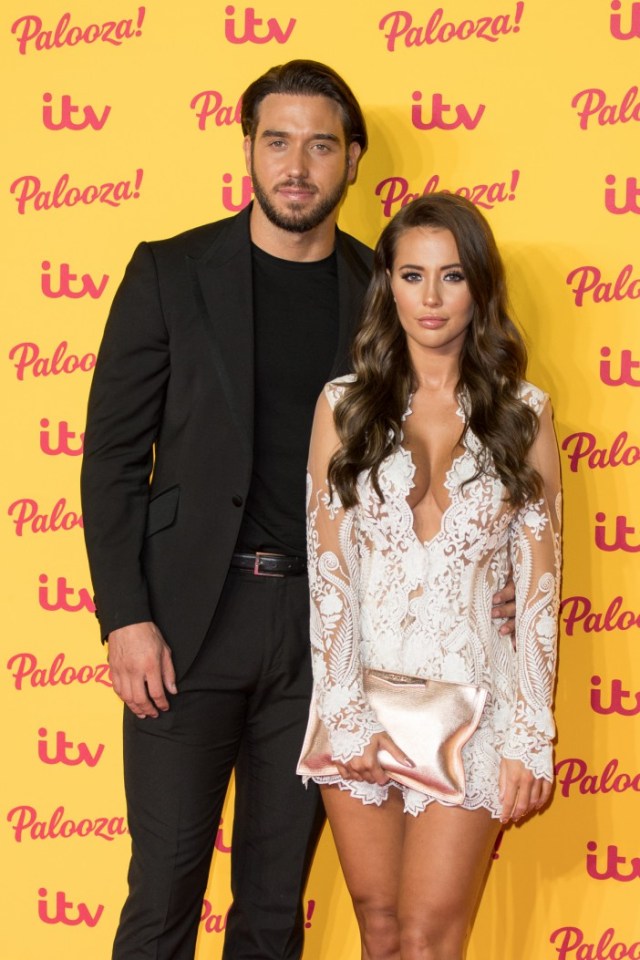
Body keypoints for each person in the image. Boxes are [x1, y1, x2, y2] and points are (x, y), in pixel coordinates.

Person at [80, 60, 517, 959]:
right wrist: (126, 616)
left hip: (329, 639)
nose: (296, 164)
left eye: (321, 144)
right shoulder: (169, 273)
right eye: (277, 141)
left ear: (352, 160)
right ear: (248, 150)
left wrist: (498, 580)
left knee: (274, 907)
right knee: (162, 892)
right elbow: (112, 458)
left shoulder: (383, 288)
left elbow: (459, 431)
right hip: (187, 627)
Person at [304, 193, 561, 960]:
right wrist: (342, 707)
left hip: (477, 708)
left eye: (452, 276)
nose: (432, 297)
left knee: (426, 939)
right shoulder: (342, 407)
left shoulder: (525, 413)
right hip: (360, 700)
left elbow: (543, 589)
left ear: (479, 287)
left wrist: (533, 736)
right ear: (388, 286)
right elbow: (328, 575)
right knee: (379, 927)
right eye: (412, 276)